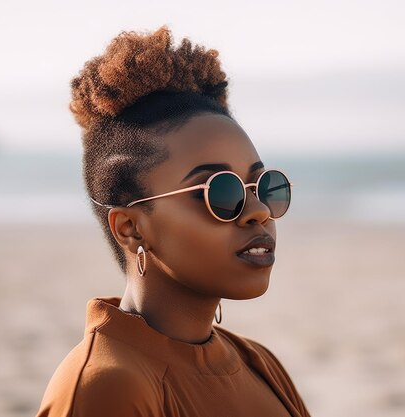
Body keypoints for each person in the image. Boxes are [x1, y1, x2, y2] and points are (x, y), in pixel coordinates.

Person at [35, 25, 310, 417]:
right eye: (220, 192)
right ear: (130, 229)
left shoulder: (259, 364)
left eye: (263, 186)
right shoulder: (107, 387)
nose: (259, 211)